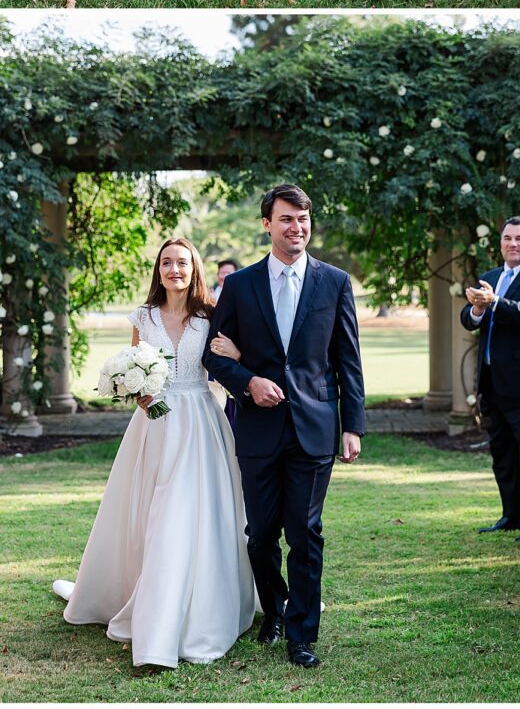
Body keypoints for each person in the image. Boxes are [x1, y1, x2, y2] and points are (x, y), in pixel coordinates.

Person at [60, 239, 254, 667]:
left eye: (181, 262)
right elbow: (136, 371)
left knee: (190, 513)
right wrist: (141, 396)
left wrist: (238, 354)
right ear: (158, 270)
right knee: (152, 511)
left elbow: (226, 364)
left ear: (193, 268)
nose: (173, 269)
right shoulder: (143, 317)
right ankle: (148, 608)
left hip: (201, 422)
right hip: (155, 425)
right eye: (166, 262)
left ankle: (191, 613)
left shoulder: (210, 315)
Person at [206, 183, 365, 669]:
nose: (297, 228)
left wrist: (352, 424)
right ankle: (272, 610)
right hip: (257, 427)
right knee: (259, 535)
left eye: (304, 219)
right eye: (287, 219)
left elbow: (347, 360)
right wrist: (248, 379)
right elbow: (212, 356)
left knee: (305, 531)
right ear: (267, 224)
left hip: (315, 427)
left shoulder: (335, 282)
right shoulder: (239, 286)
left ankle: (302, 634)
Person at [460, 214, 520, 534]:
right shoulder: (490, 276)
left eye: (519, 239)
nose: (512, 244)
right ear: (500, 244)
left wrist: (496, 303)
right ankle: (511, 514)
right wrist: (478, 309)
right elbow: (469, 319)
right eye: (507, 239)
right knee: (501, 451)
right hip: (490, 379)